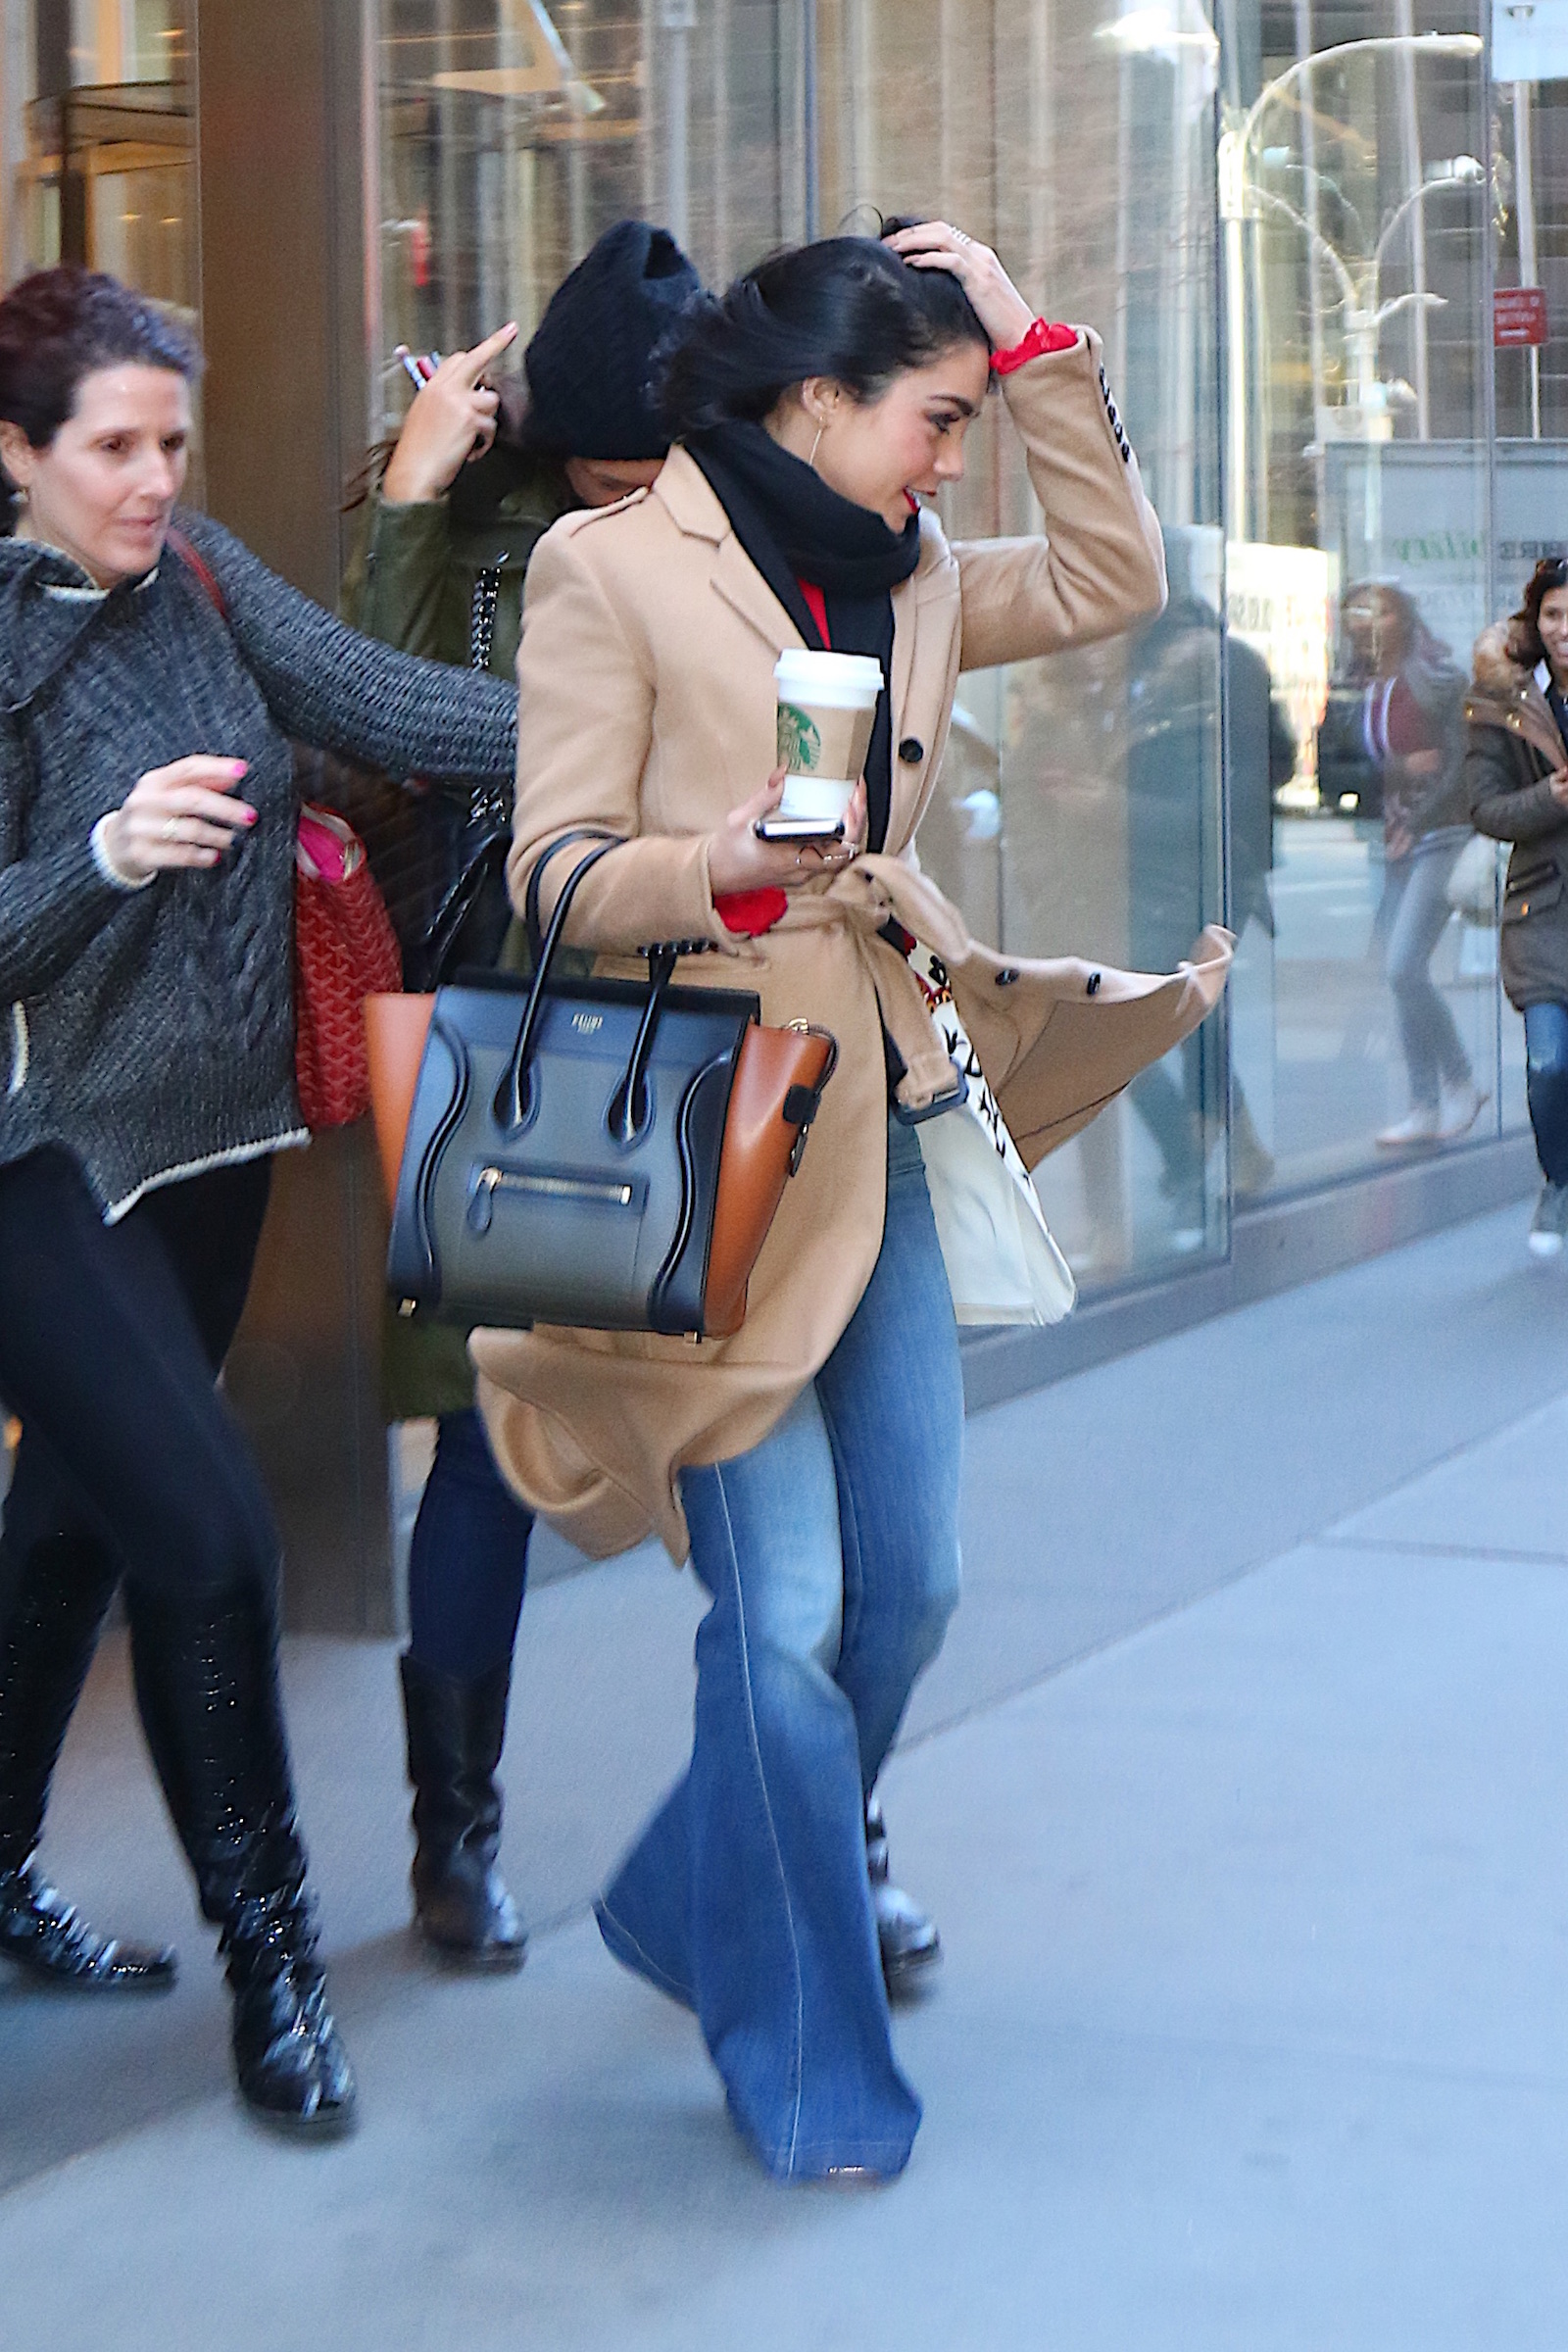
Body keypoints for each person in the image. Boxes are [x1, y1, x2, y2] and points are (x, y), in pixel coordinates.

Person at [469, 220, 1187, 2180]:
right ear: (814, 400)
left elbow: (1116, 574)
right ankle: (802, 2058)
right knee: (781, 1614)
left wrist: (1033, 348)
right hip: (706, 1146)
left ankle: (690, 1888)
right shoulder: (612, 565)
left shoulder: (918, 573)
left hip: (880, 1123)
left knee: (915, 1584)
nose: (950, 456)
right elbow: (548, 867)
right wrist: (707, 868)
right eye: (934, 419)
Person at [347, 220, 942, 1989]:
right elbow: (380, 728)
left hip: (720, 1023)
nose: (641, 489)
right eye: (611, 469)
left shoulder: (735, 526)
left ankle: (824, 1818)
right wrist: (409, 505)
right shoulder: (515, 543)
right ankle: (456, 1828)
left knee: (803, 1530)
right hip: (524, 1035)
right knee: (484, 1442)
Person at [0, 266, 517, 2135]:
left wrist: (636, 733)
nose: (152, 479)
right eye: (112, 448)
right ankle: (274, 1967)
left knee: (68, 1533)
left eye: (171, 442)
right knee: (212, 1538)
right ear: (17, 452)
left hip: (211, 1163)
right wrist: (100, 853)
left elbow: (393, 702)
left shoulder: (202, 576)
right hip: (40, 1166)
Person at [1321, 584, 1486, 1151]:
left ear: (1405, 619)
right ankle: (1425, 1104)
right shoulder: (1351, 687)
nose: (1368, 620)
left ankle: (1459, 1082)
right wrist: (1396, 769)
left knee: (1401, 967)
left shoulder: (1440, 680)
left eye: (1382, 610)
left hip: (1439, 834)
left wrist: (1414, 821)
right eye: (1358, 610)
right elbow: (1330, 774)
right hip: (1390, 842)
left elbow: (1460, 766)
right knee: (1400, 976)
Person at [1464, 556, 1568, 1255]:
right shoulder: (1502, 697)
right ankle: (1559, 1181)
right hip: (1543, 911)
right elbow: (1484, 807)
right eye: (1554, 614)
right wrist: (1548, 799)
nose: (1565, 629)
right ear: (1536, 620)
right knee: (1548, 1062)